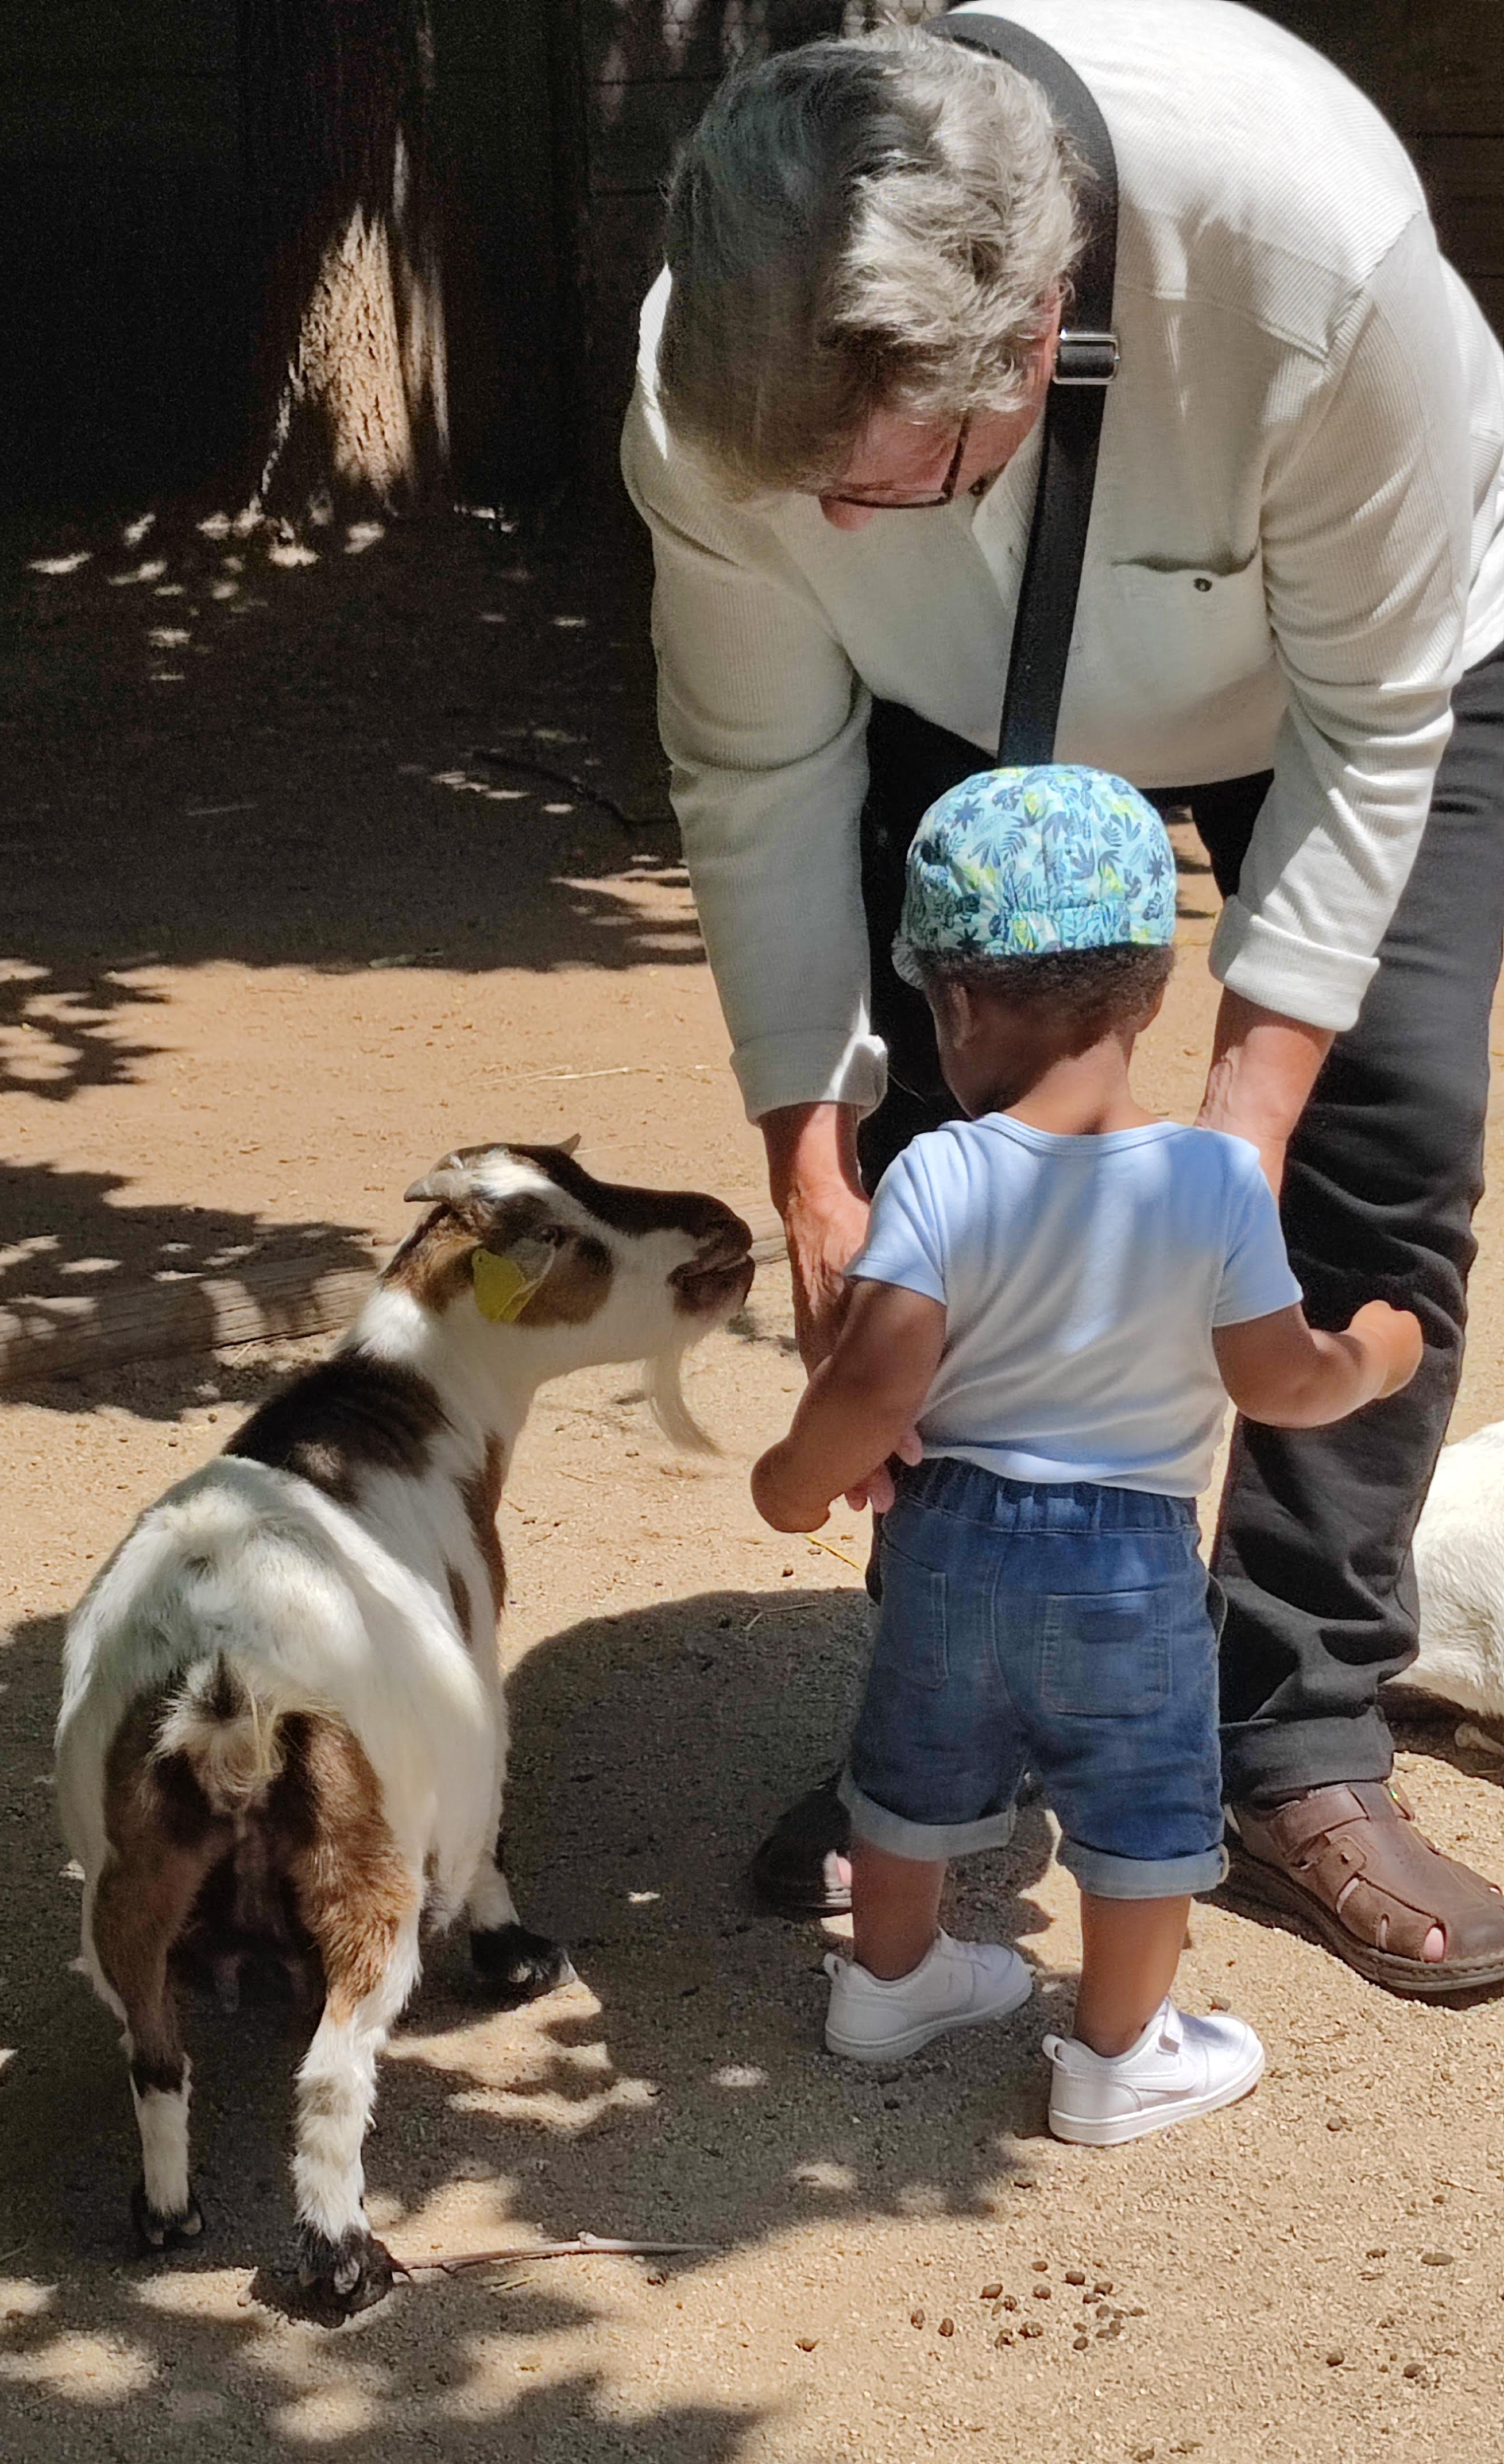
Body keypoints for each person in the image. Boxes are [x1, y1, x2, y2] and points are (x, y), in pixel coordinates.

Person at [623, 2, 1504, 1995]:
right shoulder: (718, 371)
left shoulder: (1313, 256)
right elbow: (761, 773)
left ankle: (1295, 1735)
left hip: (1346, 676)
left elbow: (1378, 727)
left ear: (1034, 340)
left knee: (1377, 1128)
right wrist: (813, 1169)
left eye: (876, 487)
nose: (824, 532)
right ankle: (968, 1702)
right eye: (794, 491)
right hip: (957, 689)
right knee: (948, 1146)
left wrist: (1240, 1140)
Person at [751, 763, 1423, 2143]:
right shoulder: (1212, 1180)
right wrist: (1372, 1354)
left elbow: (877, 1377)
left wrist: (795, 1480)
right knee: (1141, 1803)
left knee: (914, 1761)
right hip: (1127, 1562)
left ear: (954, 1003)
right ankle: (1119, 2054)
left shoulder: (939, 1171)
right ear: (1155, 995)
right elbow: (1278, 1382)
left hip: (947, 1537)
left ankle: (890, 1982)